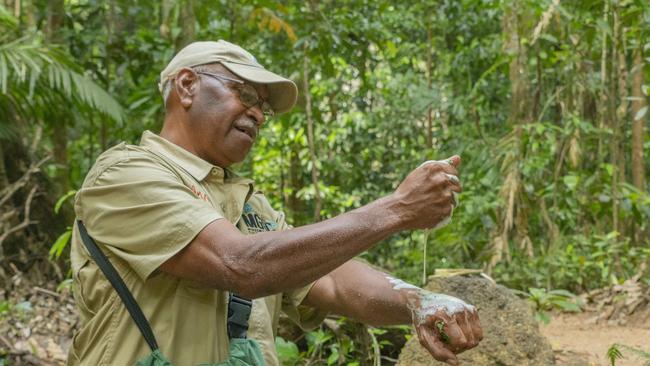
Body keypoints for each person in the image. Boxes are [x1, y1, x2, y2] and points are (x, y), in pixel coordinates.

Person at [67, 40, 482, 366]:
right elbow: (242, 264)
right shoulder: (125, 176)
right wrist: (396, 209)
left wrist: (419, 301)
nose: (260, 115)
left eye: (264, 106)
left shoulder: (250, 206)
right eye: (245, 93)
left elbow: (333, 281)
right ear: (188, 86)